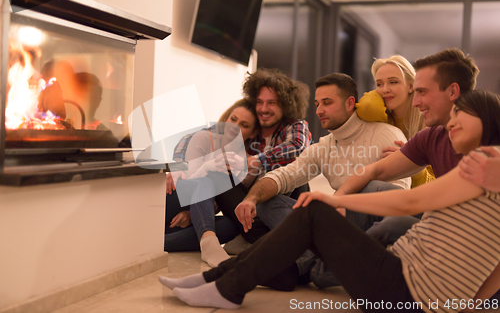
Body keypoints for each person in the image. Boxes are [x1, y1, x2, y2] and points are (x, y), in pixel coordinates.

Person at [160, 89, 500, 313]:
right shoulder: (484, 165)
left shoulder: (483, 164)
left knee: (314, 212)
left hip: (406, 289)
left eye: (460, 114)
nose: (451, 121)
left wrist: (331, 199)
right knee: (309, 214)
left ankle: (226, 286)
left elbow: (407, 204)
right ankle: (218, 279)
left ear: (487, 120)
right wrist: (471, 305)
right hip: (401, 275)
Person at [233, 72, 410, 289]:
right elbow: (284, 175)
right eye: (317, 104)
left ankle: (301, 265)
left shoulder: (386, 135)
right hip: (338, 233)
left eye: (326, 103)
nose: (318, 111)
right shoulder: (323, 147)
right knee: (267, 201)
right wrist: (251, 198)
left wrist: (341, 204)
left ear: (349, 103)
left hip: (370, 234)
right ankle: (315, 262)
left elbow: (396, 200)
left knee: (371, 188)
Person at [336, 48, 480, 248]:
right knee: (369, 190)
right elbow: (375, 170)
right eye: (379, 84)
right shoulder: (430, 135)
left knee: (390, 223)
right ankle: (316, 262)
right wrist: (336, 200)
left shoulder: (483, 139)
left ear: (452, 91)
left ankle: (319, 266)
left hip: (458, 233)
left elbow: (416, 200)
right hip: (433, 213)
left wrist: (417, 172)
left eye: (422, 91)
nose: (416, 102)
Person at [204, 68, 313, 248]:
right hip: (250, 208)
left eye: (271, 103)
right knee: (219, 172)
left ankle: (265, 241)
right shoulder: (250, 129)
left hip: (283, 201)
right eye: (260, 102)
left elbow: (297, 146)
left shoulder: (295, 126)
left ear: (286, 105)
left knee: (296, 167)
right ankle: (263, 240)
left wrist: (255, 161)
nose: (263, 109)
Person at [164, 99, 259, 267]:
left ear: (252, 133)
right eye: (233, 119)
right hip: (176, 198)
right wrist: (208, 167)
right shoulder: (203, 138)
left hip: (198, 212)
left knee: (231, 226)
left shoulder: (245, 163)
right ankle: (208, 244)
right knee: (205, 183)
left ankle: (161, 244)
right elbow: (190, 181)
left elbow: (220, 203)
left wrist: (193, 216)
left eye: (243, 125)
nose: (234, 127)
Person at [356, 55, 434, 187]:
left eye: (393, 82)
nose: (385, 89)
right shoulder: (381, 117)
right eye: (379, 84)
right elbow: (366, 107)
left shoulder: (430, 123)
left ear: (411, 86)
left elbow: (436, 186)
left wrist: (410, 162)